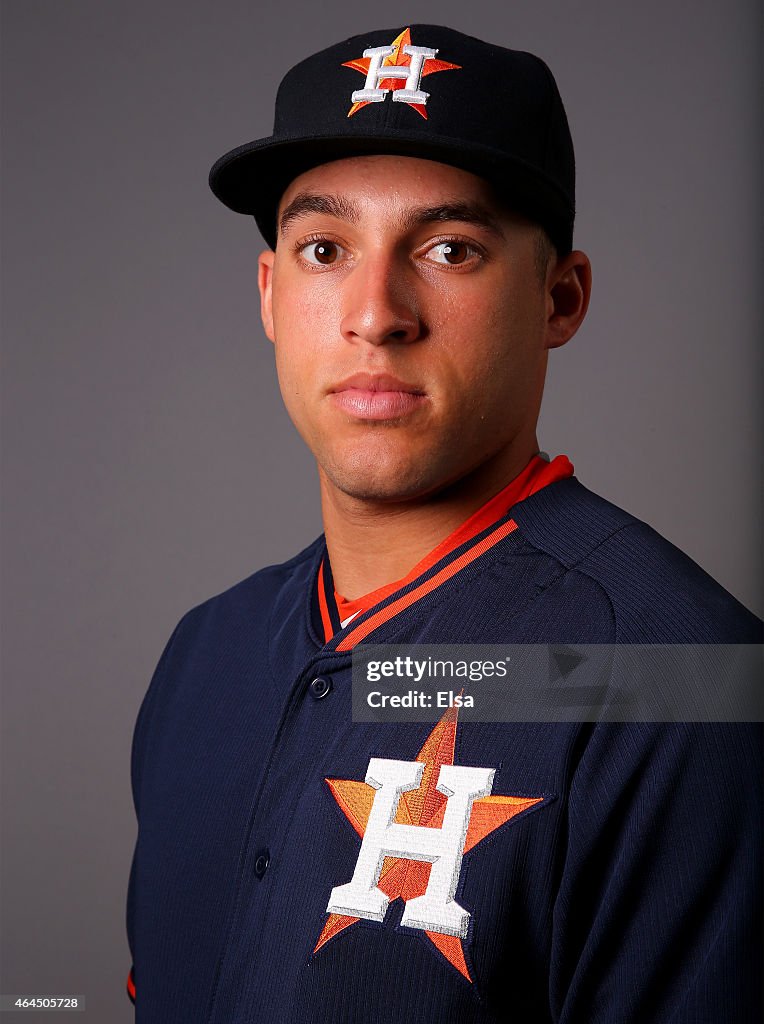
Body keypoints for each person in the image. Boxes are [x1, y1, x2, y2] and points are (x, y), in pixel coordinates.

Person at [125, 24, 762, 1023]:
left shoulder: (683, 674)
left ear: (559, 297)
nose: (375, 312)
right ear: (269, 294)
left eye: (448, 248)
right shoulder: (205, 653)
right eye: (324, 249)